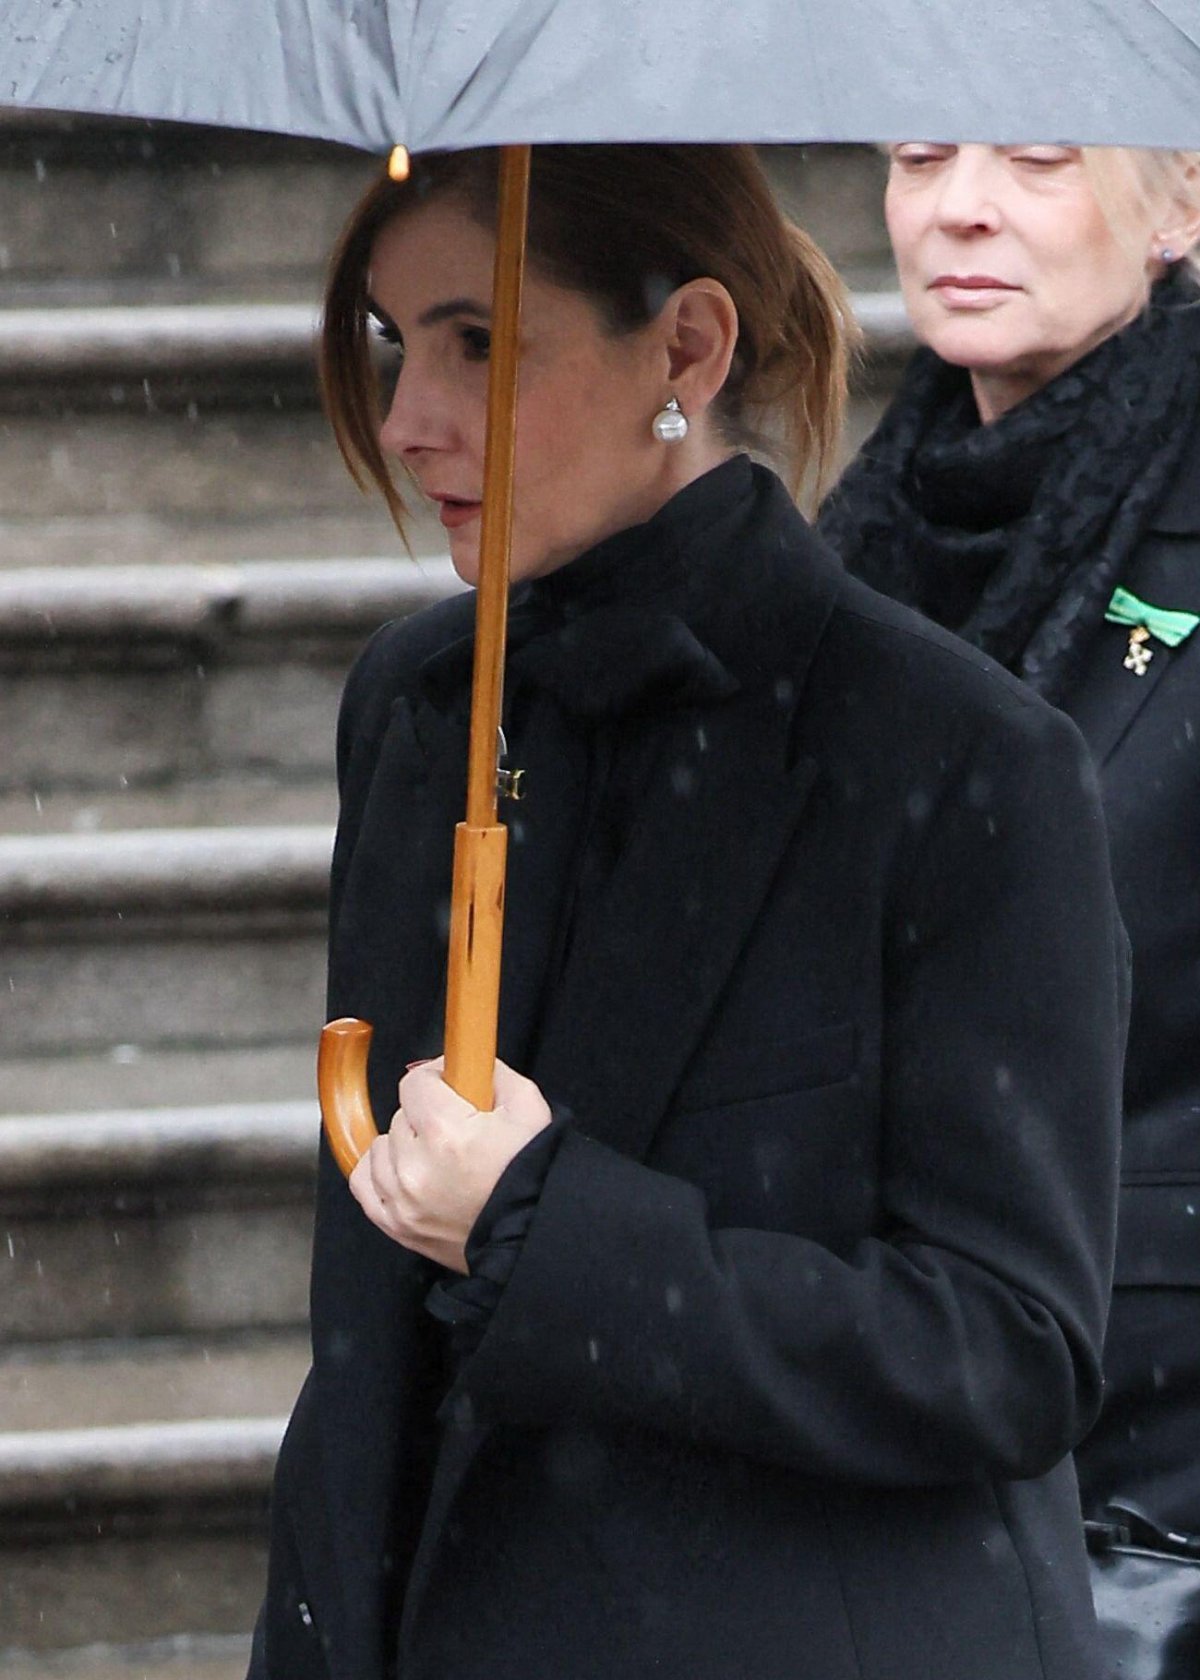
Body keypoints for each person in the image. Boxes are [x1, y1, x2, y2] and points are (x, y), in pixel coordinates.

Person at [250, 143, 1126, 1680]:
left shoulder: (955, 754)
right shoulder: (416, 709)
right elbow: (368, 1362)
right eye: (397, 344)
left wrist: (548, 1229)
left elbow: (1007, 1349)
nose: (406, 421)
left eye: (481, 343)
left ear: (691, 347)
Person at [819, 142, 1200, 1549]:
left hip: (1146, 1436)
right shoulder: (858, 529)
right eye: (920, 156)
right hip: (892, 1375)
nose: (960, 203)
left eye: (1039, 159)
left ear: (1184, 206)